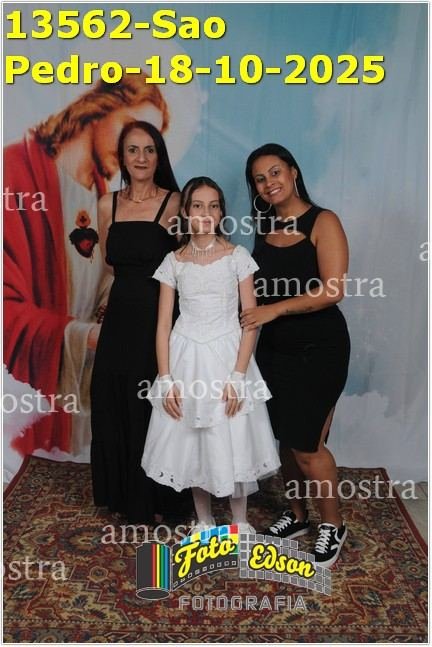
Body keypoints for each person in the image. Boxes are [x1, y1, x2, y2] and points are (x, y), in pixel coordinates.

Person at [3, 72, 170, 458]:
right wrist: (86, 335)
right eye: (129, 131)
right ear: (100, 107)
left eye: (148, 146)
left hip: (93, 384)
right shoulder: (15, 171)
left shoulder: (107, 200)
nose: (134, 152)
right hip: (33, 403)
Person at [141, 176, 281, 533]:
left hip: (228, 358)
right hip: (186, 359)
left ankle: (239, 523)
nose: (206, 213)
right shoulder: (173, 261)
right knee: (194, 439)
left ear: (221, 213)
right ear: (186, 213)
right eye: (198, 206)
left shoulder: (237, 257)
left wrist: (238, 376)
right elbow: (162, 324)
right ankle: (204, 521)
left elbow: (250, 321)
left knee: (232, 433)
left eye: (213, 206)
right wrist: (165, 378)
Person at [242, 143, 350, 567]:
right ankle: (298, 515)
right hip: (273, 351)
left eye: (275, 172)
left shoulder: (324, 221)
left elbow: (333, 289)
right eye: (259, 178)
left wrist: (275, 309)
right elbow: (255, 291)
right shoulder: (264, 228)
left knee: (308, 445)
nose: (269, 183)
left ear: (293, 171)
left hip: (319, 348)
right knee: (285, 441)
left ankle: (333, 525)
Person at [90, 120, 192, 525]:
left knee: (155, 403)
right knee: (114, 400)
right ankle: (123, 496)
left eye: (149, 149)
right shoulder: (106, 204)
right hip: (120, 317)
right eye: (133, 150)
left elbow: (190, 262)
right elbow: (109, 263)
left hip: (160, 316)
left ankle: (162, 497)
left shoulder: (176, 202)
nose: (141, 157)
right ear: (122, 157)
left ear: (159, 156)